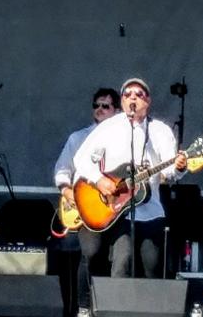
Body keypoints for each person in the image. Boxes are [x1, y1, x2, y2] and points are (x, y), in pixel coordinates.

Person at [73, 78, 187, 280]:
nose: (133, 97)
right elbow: (82, 159)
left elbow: (169, 171)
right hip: (119, 211)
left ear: (148, 101)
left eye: (138, 94)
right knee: (122, 262)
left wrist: (180, 167)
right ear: (122, 101)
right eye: (127, 94)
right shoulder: (109, 127)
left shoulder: (160, 131)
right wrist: (99, 180)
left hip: (150, 210)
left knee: (152, 265)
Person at [53, 88, 119, 316]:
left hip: (114, 211)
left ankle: (108, 307)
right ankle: (83, 307)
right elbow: (62, 172)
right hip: (84, 208)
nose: (99, 110)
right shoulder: (78, 138)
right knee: (90, 252)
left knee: (117, 256)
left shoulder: (123, 141)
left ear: (117, 111)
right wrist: (69, 193)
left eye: (105, 106)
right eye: (96, 105)